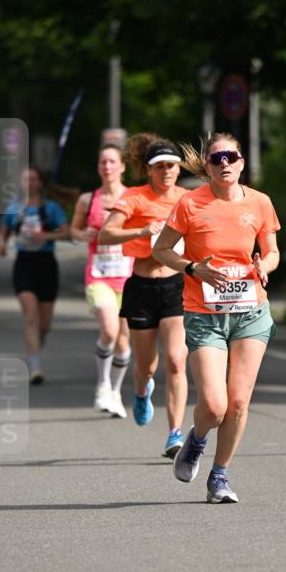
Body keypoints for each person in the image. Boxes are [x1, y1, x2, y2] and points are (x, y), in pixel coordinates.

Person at [152, 132, 280, 503]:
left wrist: (265, 265)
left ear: (242, 162)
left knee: (238, 403)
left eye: (231, 157)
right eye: (216, 159)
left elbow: (272, 251)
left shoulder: (259, 202)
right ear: (207, 167)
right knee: (214, 405)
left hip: (250, 312)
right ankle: (196, 440)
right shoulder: (190, 204)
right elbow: (161, 250)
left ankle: (219, 477)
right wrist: (192, 267)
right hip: (204, 313)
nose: (224, 164)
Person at [98, 134, 188, 458]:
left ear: (178, 169)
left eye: (171, 165)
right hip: (142, 287)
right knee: (146, 366)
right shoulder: (134, 197)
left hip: (177, 286)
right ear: (149, 170)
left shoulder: (188, 199)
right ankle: (141, 391)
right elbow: (105, 234)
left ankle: (175, 434)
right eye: (159, 166)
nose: (166, 171)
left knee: (176, 360)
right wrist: (141, 230)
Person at [71, 144, 133, 417]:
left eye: (112, 162)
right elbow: (74, 229)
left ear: (122, 167)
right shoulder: (88, 200)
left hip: (128, 276)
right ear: (98, 167)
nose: (107, 167)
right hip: (99, 276)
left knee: (123, 340)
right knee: (109, 330)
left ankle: (115, 392)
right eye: (103, 162)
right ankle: (103, 384)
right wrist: (82, 234)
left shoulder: (133, 198)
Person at [0, 167, 70, 384]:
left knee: (44, 324)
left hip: (46, 264)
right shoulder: (14, 208)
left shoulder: (51, 208)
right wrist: (2, 244)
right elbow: (5, 230)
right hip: (24, 264)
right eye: (25, 179)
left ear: (40, 183)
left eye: (33, 179)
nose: (29, 183)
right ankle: (35, 366)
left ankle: (36, 347)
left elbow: (66, 232)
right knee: (31, 314)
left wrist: (45, 235)